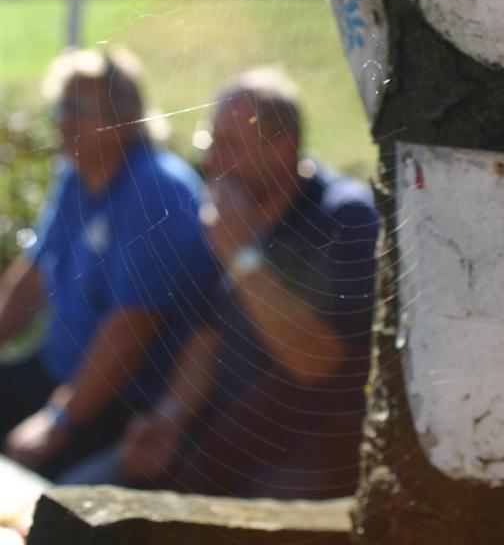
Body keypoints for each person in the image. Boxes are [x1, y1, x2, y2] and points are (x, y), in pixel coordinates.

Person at [62, 67, 378, 498]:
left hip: (301, 460)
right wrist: (170, 416)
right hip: (213, 437)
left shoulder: (345, 217)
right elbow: (208, 335)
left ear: (282, 148)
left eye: (229, 146)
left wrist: (243, 256)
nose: (212, 162)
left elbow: (318, 363)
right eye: (210, 144)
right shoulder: (232, 210)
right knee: (71, 499)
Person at [0, 47, 213, 480]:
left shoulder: (156, 190)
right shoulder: (75, 176)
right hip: (56, 372)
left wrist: (59, 422)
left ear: (124, 116)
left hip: (122, 402)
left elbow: (134, 326)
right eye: (61, 106)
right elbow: (33, 277)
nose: (63, 120)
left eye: (79, 108)